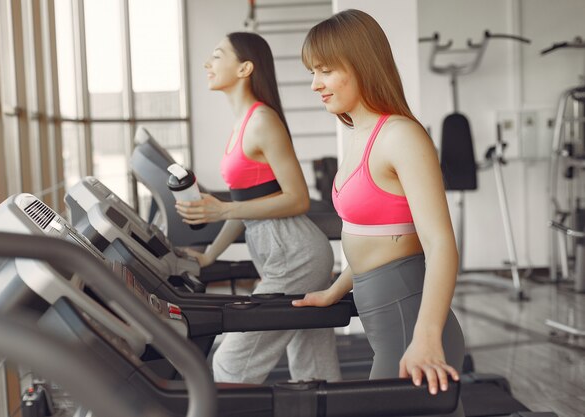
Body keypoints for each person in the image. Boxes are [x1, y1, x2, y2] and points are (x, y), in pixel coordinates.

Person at [292, 9, 465, 416]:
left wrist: (426, 336)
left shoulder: (401, 136)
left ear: (361, 64)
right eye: (313, 72)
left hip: (413, 332)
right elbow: (377, 234)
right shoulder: (358, 133)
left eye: (326, 70)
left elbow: (440, 244)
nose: (316, 84)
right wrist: (337, 289)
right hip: (389, 326)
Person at [175, 31, 341, 384]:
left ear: (245, 67)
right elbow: (244, 205)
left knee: (230, 365)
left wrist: (221, 211)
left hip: (294, 254)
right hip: (280, 254)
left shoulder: (262, 121)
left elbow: (297, 198)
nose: (208, 63)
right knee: (311, 368)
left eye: (218, 55)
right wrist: (209, 255)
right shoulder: (242, 124)